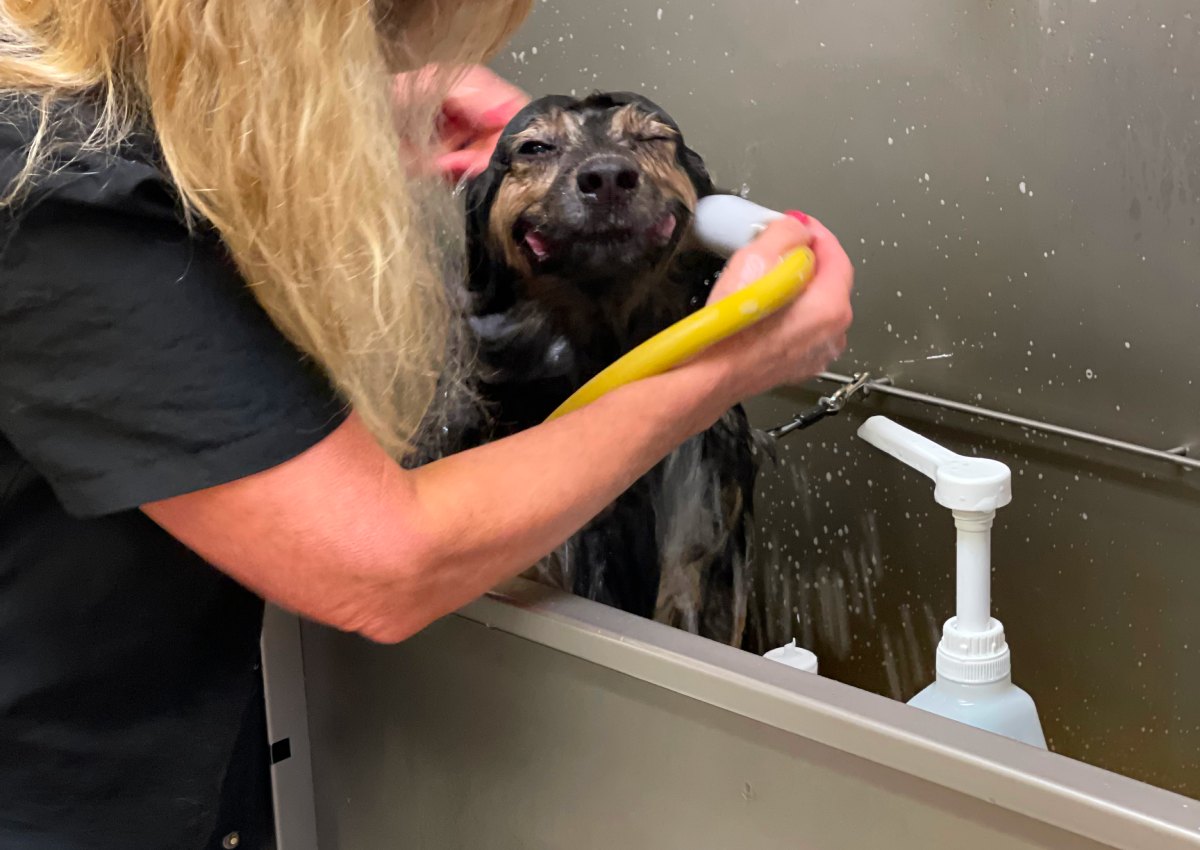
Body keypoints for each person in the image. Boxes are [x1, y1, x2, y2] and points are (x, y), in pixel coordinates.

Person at [0, 1, 854, 847]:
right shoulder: (58, 189)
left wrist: (346, 116)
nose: (394, 52)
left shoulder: (88, 134)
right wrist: (727, 363)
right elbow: (381, 568)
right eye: (375, 30)